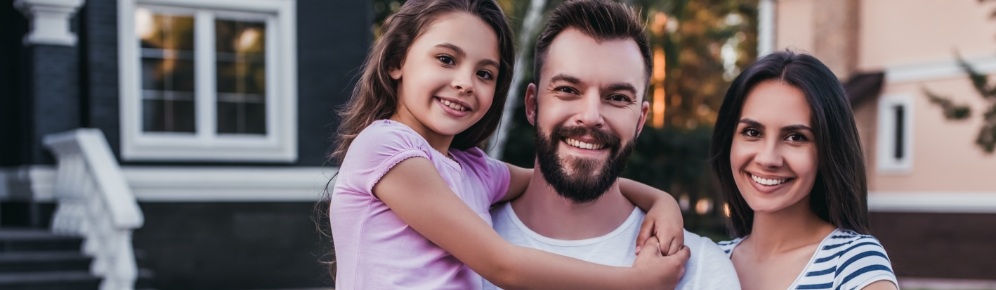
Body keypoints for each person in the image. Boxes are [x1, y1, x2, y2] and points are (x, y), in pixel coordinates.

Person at [326, 0, 690, 289]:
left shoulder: (473, 170)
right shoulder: (384, 148)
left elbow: (549, 175)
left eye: (484, 73)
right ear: (396, 61)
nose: (465, 83)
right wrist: (637, 283)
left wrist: (661, 200)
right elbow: (504, 265)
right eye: (446, 59)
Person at [481, 1, 741, 289]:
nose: (591, 117)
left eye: (617, 97)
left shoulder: (699, 270)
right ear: (532, 105)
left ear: (641, 120)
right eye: (568, 90)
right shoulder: (459, 243)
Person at [710, 50, 899, 289]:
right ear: (729, 141)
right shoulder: (705, 261)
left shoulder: (853, 264)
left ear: (827, 150)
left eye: (795, 137)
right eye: (752, 132)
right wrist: (660, 202)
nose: (768, 158)